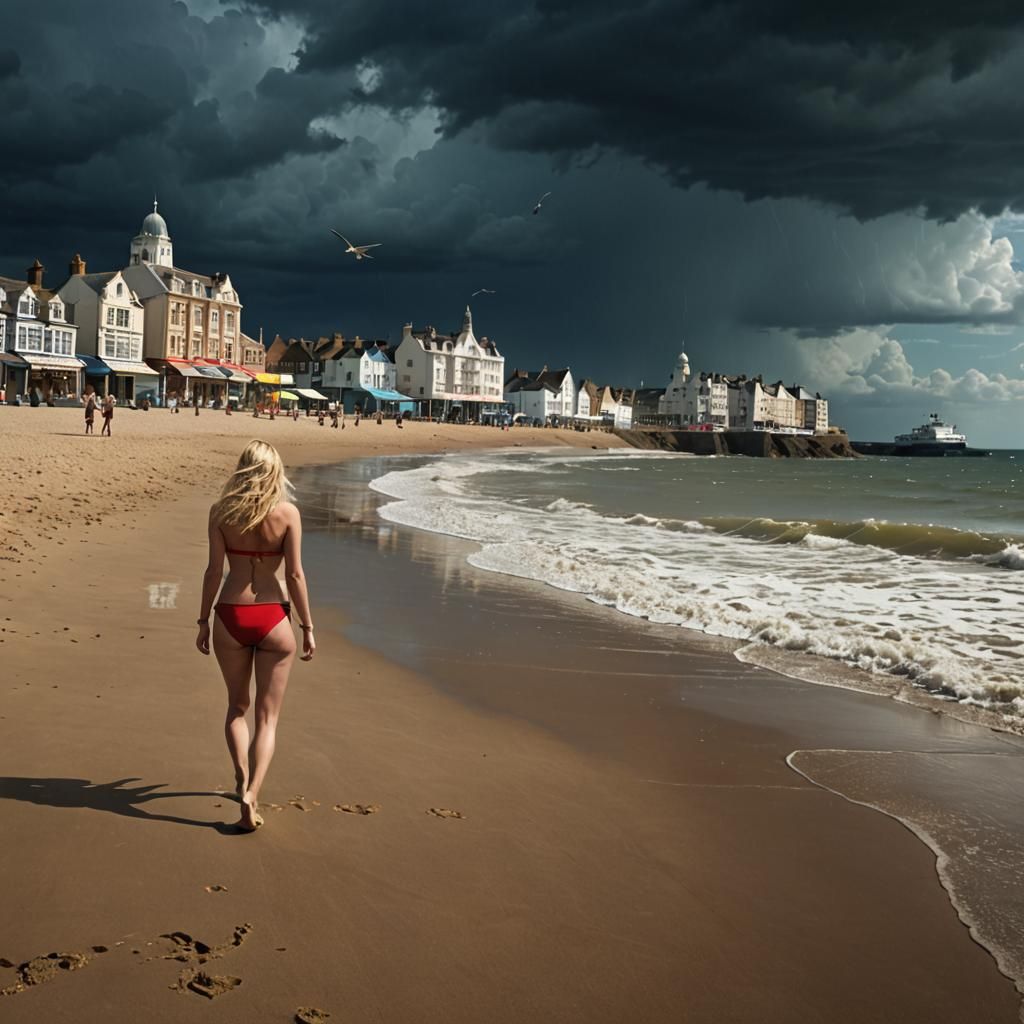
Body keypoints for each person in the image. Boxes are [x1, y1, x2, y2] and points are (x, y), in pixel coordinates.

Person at [196, 440, 314, 833]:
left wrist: (202, 621)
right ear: (274, 471)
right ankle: (252, 794)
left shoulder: (221, 512)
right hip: (273, 616)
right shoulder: (288, 514)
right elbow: (295, 575)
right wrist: (307, 626)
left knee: (237, 708)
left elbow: (214, 572)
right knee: (268, 719)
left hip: (230, 613)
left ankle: (241, 776)